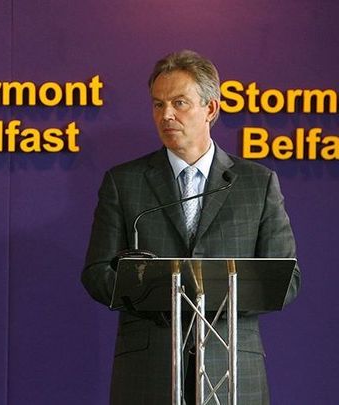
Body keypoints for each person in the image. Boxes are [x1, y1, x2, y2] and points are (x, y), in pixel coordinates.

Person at [82, 50, 300, 404]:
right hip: (149, 368)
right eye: (157, 104)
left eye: (179, 103)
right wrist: (147, 287)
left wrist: (211, 294)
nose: (166, 115)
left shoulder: (256, 183)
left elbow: (287, 280)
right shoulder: (124, 182)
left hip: (231, 368)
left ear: (211, 109)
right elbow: (96, 274)